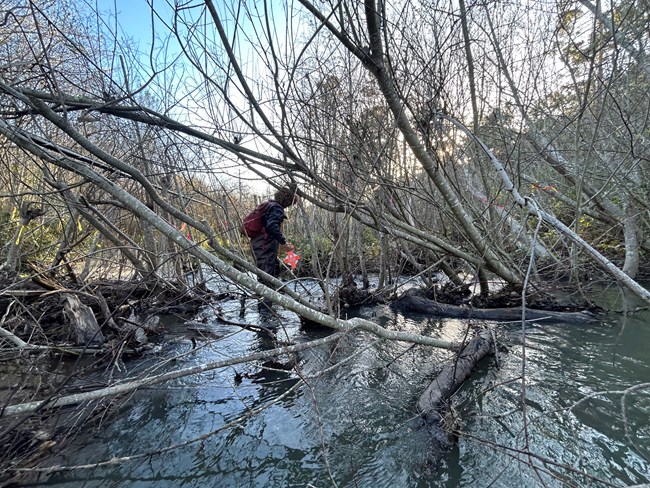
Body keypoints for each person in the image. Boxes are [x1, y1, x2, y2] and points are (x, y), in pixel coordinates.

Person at [249, 183, 298, 312]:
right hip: (264, 247)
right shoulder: (277, 208)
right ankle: (265, 311)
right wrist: (284, 242)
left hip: (259, 244)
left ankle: (270, 304)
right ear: (287, 201)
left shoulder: (269, 205)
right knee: (267, 277)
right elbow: (271, 227)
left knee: (273, 271)